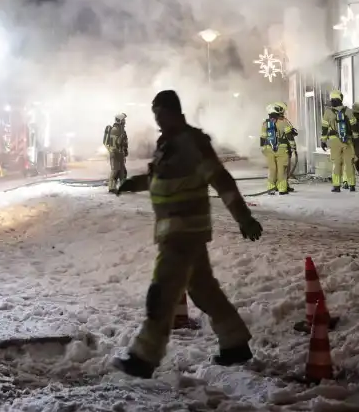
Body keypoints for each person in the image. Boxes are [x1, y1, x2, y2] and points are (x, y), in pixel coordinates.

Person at [111, 90, 263, 378]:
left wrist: (244, 218)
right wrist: (136, 183)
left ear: (173, 112)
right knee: (204, 291)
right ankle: (235, 344)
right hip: (179, 233)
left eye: (160, 113)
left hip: (183, 234)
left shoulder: (192, 142)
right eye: (154, 114)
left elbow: (221, 179)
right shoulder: (168, 143)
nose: (157, 119)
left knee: (162, 293)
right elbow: (164, 178)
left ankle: (143, 358)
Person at [320, 89, 357, 192]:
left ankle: (336, 185)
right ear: (341, 99)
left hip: (334, 141)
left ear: (332, 100)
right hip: (347, 140)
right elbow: (354, 126)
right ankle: (352, 185)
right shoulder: (349, 111)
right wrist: (355, 138)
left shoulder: (327, 112)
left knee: (336, 163)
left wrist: (323, 141)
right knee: (349, 163)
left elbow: (324, 128)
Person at [259, 102, 297, 194]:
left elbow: (262, 138)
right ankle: (282, 189)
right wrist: (293, 146)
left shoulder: (265, 124)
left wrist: (263, 149)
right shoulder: (283, 122)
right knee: (282, 170)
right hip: (282, 149)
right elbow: (289, 136)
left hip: (269, 149)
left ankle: (271, 188)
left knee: (272, 169)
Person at [104, 113, 129, 191]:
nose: (125, 121)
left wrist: (125, 151)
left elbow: (124, 142)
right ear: (120, 120)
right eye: (123, 120)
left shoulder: (121, 130)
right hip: (115, 153)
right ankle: (112, 187)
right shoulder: (115, 130)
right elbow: (115, 143)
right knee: (115, 170)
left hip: (120, 153)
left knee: (122, 171)